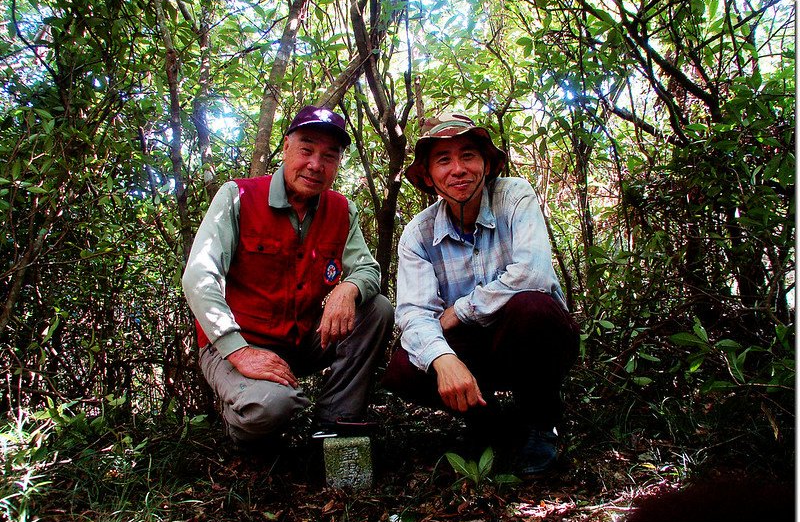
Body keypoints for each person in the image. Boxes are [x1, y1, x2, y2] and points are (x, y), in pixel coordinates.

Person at [183, 105, 394, 449]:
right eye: (306, 149)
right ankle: (245, 426)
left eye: (329, 156)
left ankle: (333, 424)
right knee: (270, 407)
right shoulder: (238, 196)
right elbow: (199, 275)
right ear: (285, 148)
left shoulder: (341, 210)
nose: (315, 164)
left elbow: (368, 268)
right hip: (237, 344)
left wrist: (349, 287)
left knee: (377, 309)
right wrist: (238, 350)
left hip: (300, 342)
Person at [383, 111, 579, 475]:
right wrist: (443, 359)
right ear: (428, 176)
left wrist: (461, 310)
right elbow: (413, 314)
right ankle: (485, 422)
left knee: (533, 308)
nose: (458, 169)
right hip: (473, 350)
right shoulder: (419, 234)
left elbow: (533, 274)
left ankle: (540, 418)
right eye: (443, 160)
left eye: (468, 155)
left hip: (526, 336)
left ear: (487, 165)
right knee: (403, 367)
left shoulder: (514, 197)